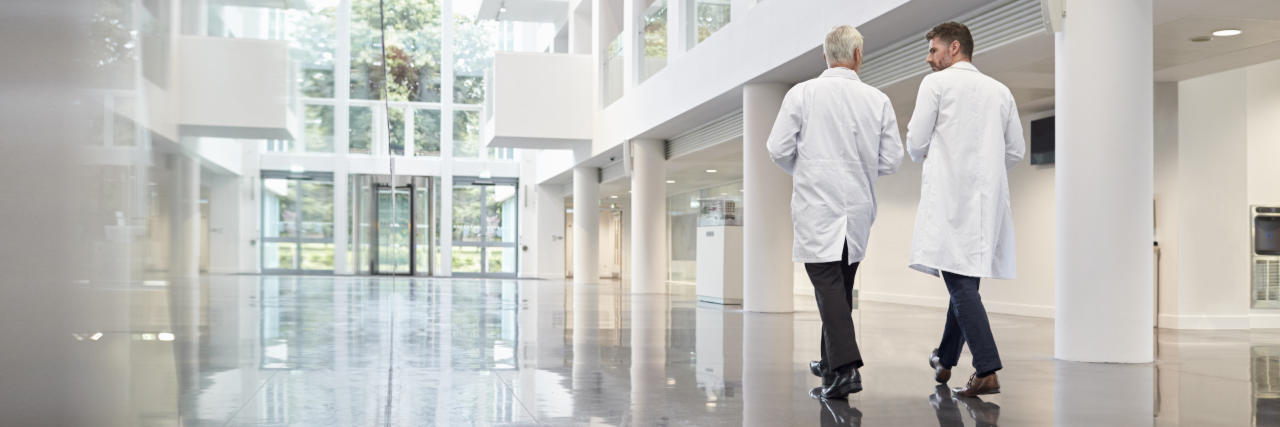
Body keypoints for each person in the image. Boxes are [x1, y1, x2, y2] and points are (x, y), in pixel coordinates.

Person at [767, 24, 904, 400]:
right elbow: (891, 160)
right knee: (839, 291)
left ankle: (845, 370)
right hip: (857, 211)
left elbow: (777, 149)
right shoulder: (877, 100)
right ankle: (829, 367)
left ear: (824, 55)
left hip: (818, 208)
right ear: (858, 56)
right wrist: (857, 168)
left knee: (829, 291)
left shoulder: (803, 94)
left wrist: (809, 169)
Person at [905, 21, 1025, 397]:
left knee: (959, 283)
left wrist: (933, 156)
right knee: (964, 282)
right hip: (985, 204)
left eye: (933, 50)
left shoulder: (936, 85)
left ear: (954, 47)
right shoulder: (1000, 91)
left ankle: (987, 368)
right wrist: (984, 171)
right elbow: (1016, 150)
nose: (929, 58)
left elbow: (916, 141)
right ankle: (944, 359)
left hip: (949, 198)